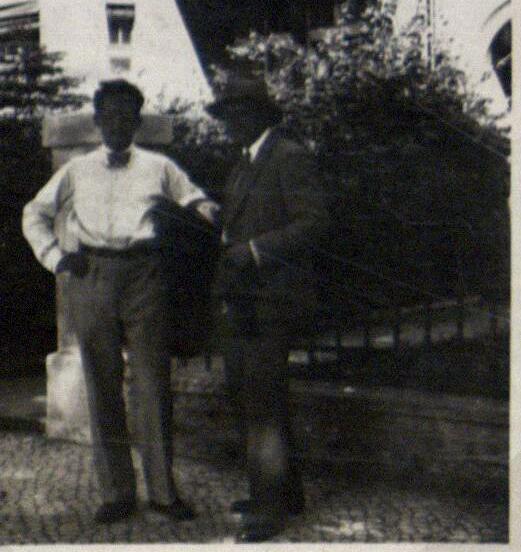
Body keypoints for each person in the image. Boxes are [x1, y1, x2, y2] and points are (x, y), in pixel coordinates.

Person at [22, 79, 218, 525]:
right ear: (97, 120)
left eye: (126, 114)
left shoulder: (159, 166)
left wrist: (212, 213)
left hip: (145, 277)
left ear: (137, 121)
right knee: (101, 383)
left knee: (152, 383)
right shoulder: (77, 170)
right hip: (91, 275)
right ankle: (116, 493)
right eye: (108, 114)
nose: (117, 122)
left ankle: (163, 493)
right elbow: (34, 213)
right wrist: (55, 257)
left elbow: (194, 199)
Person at [207, 76, 330, 543]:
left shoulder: (288, 156)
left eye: (237, 112)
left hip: (273, 299)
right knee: (248, 395)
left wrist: (256, 250)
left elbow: (314, 223)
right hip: (244, 298)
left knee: (262, 402)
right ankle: (285, 492)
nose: (229, 122)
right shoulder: (244, 162)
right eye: (225, 114)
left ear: (260, 114)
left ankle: (269, 507)